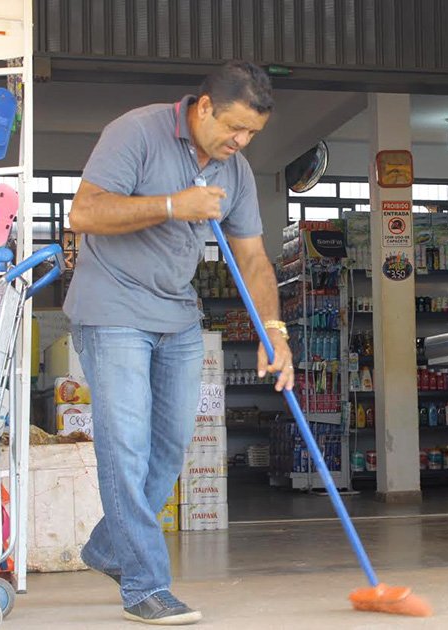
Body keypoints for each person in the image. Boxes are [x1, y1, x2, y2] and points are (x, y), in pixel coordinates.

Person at [63, 60, 294, 625]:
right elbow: (84, 211)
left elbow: (253, 258)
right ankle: (145, 584)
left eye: (252, 135)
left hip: (177, 315)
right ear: (205, 106)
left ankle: (107, 548)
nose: (240, 143)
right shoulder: (135, 132)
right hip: (112, 307)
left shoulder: (233, 171)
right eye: (234, 128)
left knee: (168, 448)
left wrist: (274, 330)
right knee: (126, 446)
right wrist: (172, 205)